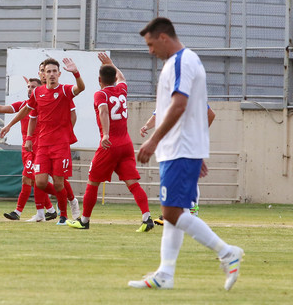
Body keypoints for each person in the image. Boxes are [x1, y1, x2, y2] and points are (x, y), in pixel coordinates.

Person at [128, 17, 243, 290]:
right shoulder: (179, 63)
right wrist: (197, 149)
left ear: (163, 37)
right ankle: (165, 274)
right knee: (174, 212)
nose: (150, 51)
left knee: (171, 212)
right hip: (182, 148)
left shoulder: (182, 61)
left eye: (151, 44)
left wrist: (154, 141)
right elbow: (198, 110)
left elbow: (180, 106)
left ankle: (228, 252)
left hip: (179, 148)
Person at [67, 53, 154, 232]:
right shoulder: (121, 89)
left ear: (99, 79)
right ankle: (147, 218)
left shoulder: (100, 94)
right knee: (133, 183)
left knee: (92, 182)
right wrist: (111, 63)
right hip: (126, 144)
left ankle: (84, 220)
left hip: (110, 145)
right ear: (114, 77)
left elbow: (104, 112)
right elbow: (122, 78)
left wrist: (106, 134)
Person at [4, 58, 85, 225]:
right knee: (40, 182)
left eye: (55, 71)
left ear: (59, 74)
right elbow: (31, 115)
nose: (52, 74)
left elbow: (81, 88)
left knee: (58, 182)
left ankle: (63, 216)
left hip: (60, 145)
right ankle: (64, 201)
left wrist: (76, 72)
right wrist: (28, 138)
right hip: (42, 145)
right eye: (48, 71)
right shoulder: (37, 93)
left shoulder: (64, 91)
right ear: (43, 74)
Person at [0, 77, 57, 221]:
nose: (30, 89)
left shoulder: (43, 105)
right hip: (26, 147)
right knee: (33, 181)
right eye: (29, 86)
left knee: (27, 178)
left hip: (38, 148)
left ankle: (18, 212)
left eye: (33, 87)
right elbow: (2, 109)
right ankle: (50, 209)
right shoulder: (24, 105)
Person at [141, 106, 216, 224]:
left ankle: (191, 211)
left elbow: (211, 114)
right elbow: (157, 115)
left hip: (186, 143)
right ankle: (172, 213)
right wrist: (146, 126)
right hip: (173, 144)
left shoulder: (187, 93)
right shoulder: (169, 94)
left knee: (188, 176)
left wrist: (199, 135)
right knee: (173, 177)